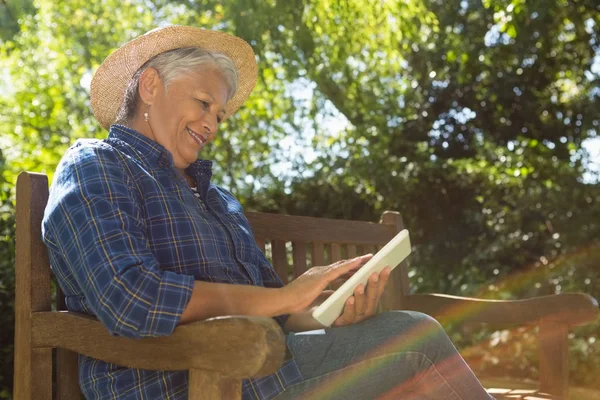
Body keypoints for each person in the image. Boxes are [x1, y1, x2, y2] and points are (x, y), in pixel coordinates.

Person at [41, 25, 494, 400]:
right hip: (185, 380)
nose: (212, 126)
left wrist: (330, 314)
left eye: (220, 116)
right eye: (203, 104)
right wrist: (285, 300)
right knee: (416, 339)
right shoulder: (96, 164)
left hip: (262, 364)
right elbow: (130, 297)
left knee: (405, 348)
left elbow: (279, 313)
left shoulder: (216, 199)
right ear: (150, 85)